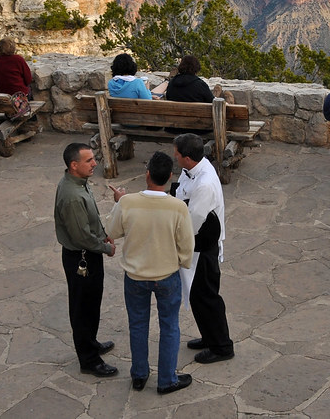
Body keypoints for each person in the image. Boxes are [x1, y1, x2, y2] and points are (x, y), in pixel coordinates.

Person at [108, 152, 194, 394]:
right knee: (169, 326)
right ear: (169, 177)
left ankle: (139, 374)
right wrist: (181, 263)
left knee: (137, 324)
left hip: (135, 277)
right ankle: (167, 379)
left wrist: (118, 201)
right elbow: (186, 245)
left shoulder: (127, 202)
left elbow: (111, 230)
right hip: (166, 275)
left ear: (147, 174)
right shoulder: (177, 207)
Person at [53, 142, 118, 378]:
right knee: (82, 309)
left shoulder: (78, 183)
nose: (95, 164)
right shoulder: (72, 196)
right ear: (73, 165)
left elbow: (90, 220)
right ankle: (89, 360)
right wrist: (105, 247)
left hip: (86, 255)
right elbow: (81, 236)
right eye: (89, 160)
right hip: (82, 258)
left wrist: (103, 233)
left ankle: (91, 343)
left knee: (91, 305)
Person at [172, 133, 234, 364]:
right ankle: (209, 337)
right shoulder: (194, 168)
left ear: (187, 158)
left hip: (203, 246)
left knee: (206, 296)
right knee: (197, 296)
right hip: (197, 244)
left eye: (177, 154)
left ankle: (222, 346)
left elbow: (193, 222)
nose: (175, 157)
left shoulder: (205, 184)